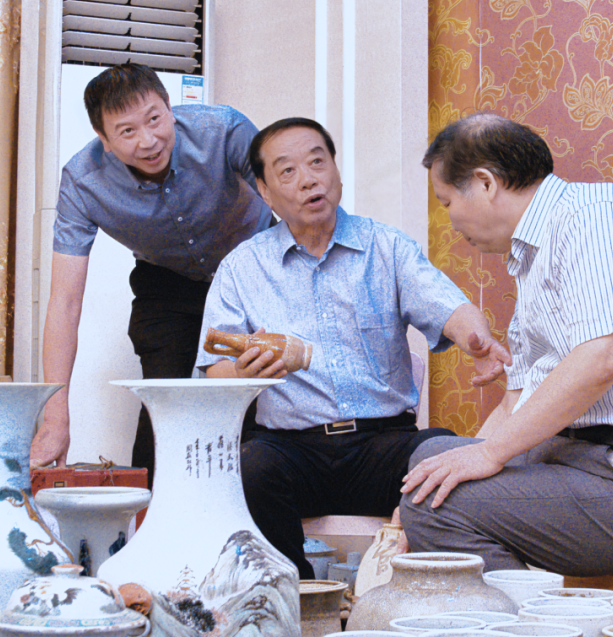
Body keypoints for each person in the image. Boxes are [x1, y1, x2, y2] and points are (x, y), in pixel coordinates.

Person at [399, 113, 613, 576]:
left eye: (447, 201)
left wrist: (484, 457)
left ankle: (531, 613)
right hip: (586, 465)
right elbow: (515, 405)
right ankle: (527, 605)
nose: (450, 219)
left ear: (485, 183)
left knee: (435, 505)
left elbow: (603, 358)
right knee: (428, 461)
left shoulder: (594, 215)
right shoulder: (531, 258)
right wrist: (432, 478)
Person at [195, 117, 510, 578]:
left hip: (383, 445)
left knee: (443, 454)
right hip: (291, 451)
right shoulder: (241, 268)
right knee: (249, 468)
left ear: (336, 172)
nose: (308, 180)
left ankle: (419, 591)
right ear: (264, 191)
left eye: (317, 162)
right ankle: (296, 596)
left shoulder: (387, 247)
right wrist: (245, 372)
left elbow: (448, 306)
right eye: (287, 171)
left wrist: (477, 340)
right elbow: (213, 373)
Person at [30, 64, 273, 471]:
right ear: (104, 140)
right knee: (162, 406)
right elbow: (64, 303)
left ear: (170, 109)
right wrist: (55, 419)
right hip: (166, 281)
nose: (148, 140)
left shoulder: (223, 130)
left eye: (155, 119)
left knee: (253, 407)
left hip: (251, 268)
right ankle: (150, 506)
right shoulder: (82, 181)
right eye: (127, 131)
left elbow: (288, 205)